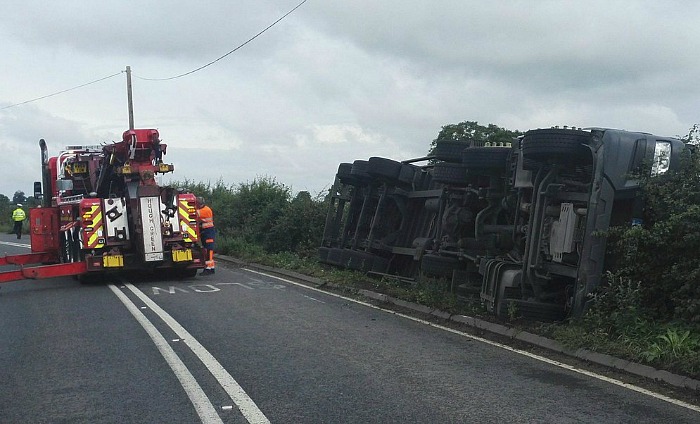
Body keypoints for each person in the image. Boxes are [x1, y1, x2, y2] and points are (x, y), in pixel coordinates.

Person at [196, 197, 216, 275]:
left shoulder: (204, 210)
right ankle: (211, 267)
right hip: (207, 231)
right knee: (207, 249)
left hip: (208, 232)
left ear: (199, 204)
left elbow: (195, 214)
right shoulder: (206, 209)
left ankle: (208, 268)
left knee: (208, 250)